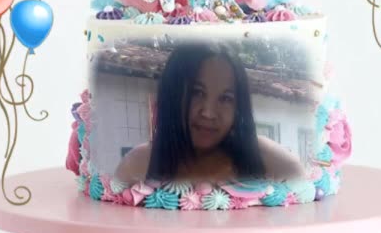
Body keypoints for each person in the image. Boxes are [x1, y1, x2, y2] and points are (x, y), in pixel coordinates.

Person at [115, 41, 305, 185]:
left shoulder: (272, 163)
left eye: (226, 98)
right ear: (173, 94)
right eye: (196, 93)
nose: (208, 113)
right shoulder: (137, 167)